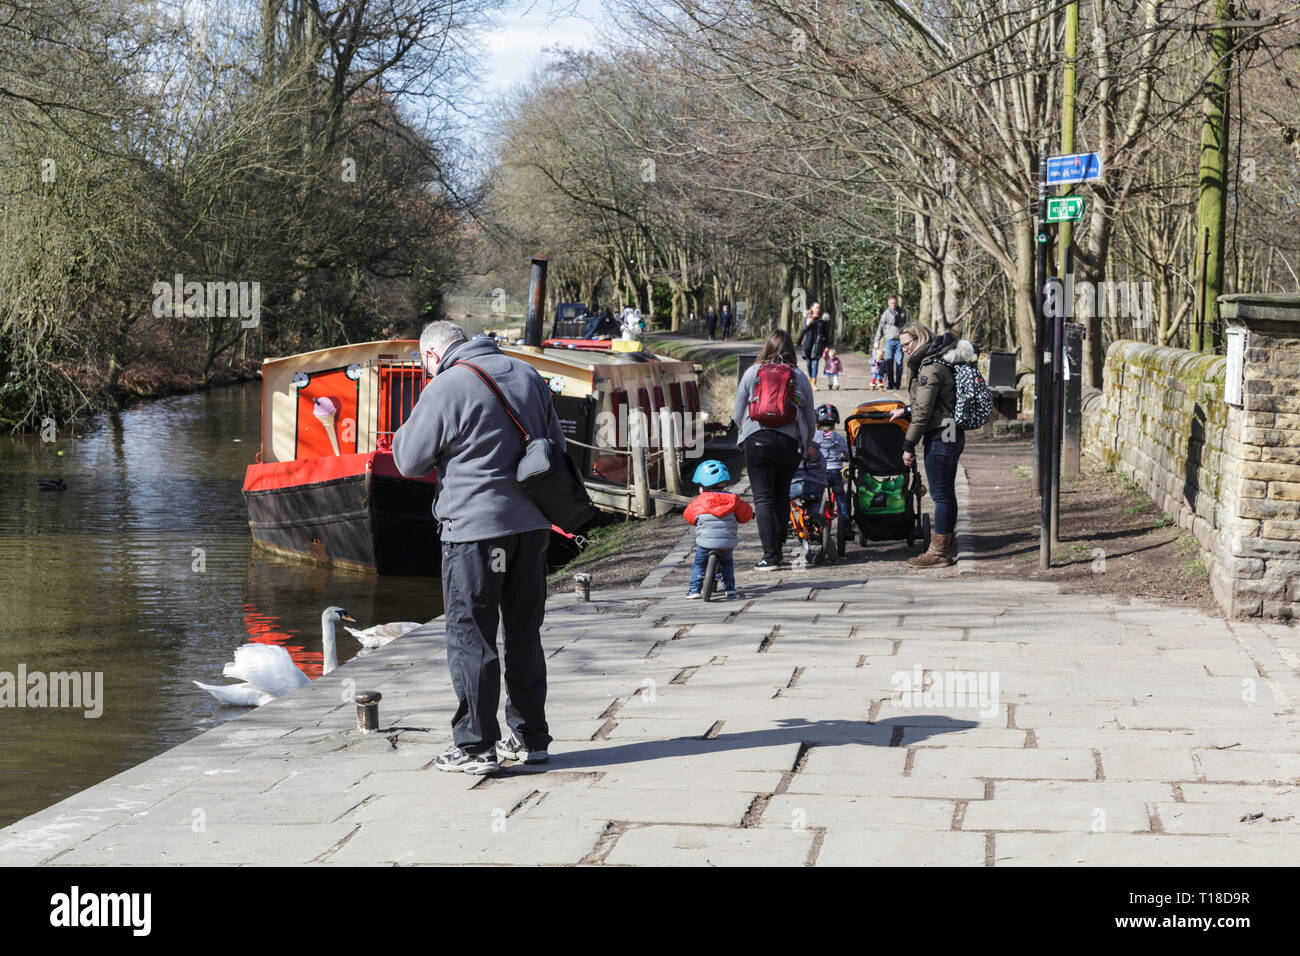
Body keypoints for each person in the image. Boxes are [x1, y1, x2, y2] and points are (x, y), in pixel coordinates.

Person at [392, 320, 561, 773]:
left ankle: (475, 746)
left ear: (431, 356)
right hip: (532, 528)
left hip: (474, 532)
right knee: (524, 631)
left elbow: (408, 461)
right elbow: (555, 448)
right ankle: (530, 739)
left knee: (472, 636)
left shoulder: (445, 386)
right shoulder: (526, 374)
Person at [888, 321, 973, 569]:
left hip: (941, 435)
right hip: (950, 432)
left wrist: (908, 444)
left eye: (907, 344)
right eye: (901, 345)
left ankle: (939, 553)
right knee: (945, 492)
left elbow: (924, 412)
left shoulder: (930, 367)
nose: (904, 349)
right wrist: (905, 410)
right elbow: (932, 403)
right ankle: (944, 544)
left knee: (941, 494)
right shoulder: (941, 360)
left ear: (920, 339)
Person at [734, 329, 816, 569]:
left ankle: (771, 556)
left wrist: (746, 434)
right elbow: (810, 418)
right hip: (789, 444)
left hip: (757, 440)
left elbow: (738, 413)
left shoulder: (753, 372)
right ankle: (778, 547)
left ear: (766, 348)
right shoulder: (799, 376)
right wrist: (806, 443)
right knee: (781, 494)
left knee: (763, 499)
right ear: (791, 349)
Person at [683, 460, 753, 598]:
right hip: (727, 544)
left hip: (705, 543)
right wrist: (751, 514)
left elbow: (689, 517)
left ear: (702, 487)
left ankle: (695, 589)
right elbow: (745, 516)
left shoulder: (698, 502)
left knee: (699, 563)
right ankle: (730, 588)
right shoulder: (734, 500)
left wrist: (697, 520)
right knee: (727, 563)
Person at [813, 403, 850, 517]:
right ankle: (845, 521)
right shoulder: (838, 437)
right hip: (835, 471)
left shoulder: (813, 436)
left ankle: (814, 519)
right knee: (840, 496)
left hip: (818, 471)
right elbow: (849, 453)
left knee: (815, 496)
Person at [873, 294, 910, 390]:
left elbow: (908, 327)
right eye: (891, 303)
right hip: (889, 341)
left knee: (899, 362)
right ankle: (890, 383)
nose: (893, 304)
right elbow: (880, 328)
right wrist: (876, 340)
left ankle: (897, 384)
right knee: (889, 363)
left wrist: (908, 340)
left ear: (897, 302)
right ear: (888, 303)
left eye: (894, 302)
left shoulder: (903, 312)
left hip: (900, 342)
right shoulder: (885, 314)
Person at [796, 302, 831, 388]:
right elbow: (802, 331)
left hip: (817, 346)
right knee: (808, 364)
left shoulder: (822, 321)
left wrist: (826, 346)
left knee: (815, 363)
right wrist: (807, 324)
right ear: (812, 308)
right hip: (808, 345)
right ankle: (810, 379)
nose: (818, 310)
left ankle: (813, 383)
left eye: (819, 308)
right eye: (816, 308)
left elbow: (826, 335)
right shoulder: (807, 318)